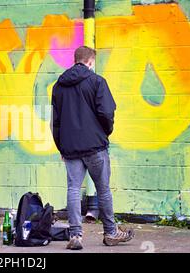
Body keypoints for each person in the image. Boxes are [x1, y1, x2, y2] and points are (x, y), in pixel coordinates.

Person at [51, 46, 134, 250]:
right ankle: (110, 233)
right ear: (90, 61)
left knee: (73, 189)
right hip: (95, 146)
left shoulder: (58, 86)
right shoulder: (97, 81)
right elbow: (107, 113)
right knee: (103, 190)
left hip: (70, 147)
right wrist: (105, 133)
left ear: (75, 60)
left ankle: (76, 236)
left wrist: (61, 146)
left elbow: (56, 121)